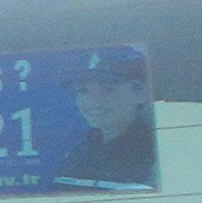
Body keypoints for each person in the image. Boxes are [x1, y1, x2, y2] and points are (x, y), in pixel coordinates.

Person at [55, 51, 158, 190]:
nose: (93, 101)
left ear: (140, 93)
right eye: (83, 90)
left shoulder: (156, 156)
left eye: (108, 89)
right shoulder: (78, 156)